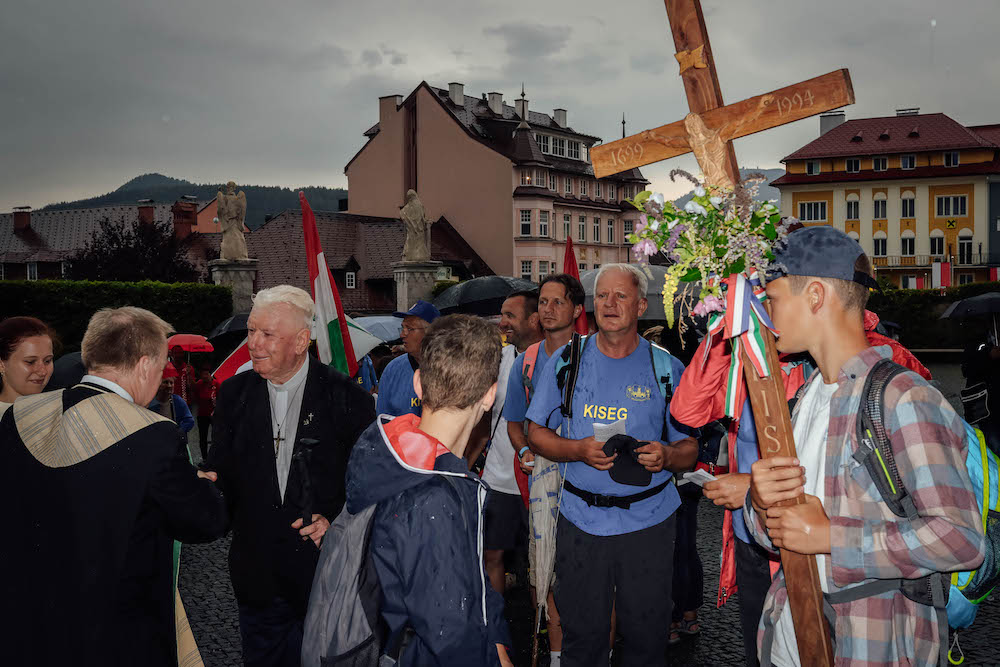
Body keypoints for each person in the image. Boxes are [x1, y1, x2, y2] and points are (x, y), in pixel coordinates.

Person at [746, 227, 985, 665]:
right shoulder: (802, 399)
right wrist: (759, 504)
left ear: (815, 295)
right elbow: (776, 535)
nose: (764, 312)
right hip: (789, 634)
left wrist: (829, 537)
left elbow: (962, 540)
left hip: (877, 642)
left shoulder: (904, 398)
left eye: (772, 297)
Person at [671, 304, 933, 667]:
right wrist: (724, 328)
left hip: (836, 556)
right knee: (764, 652)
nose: (771, 305)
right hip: (756, 538)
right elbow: (688, 410)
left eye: (776, 294)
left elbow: (908, 474)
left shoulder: (872, 355)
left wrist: (751, 486)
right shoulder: (748, 356)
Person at [0, 306, 227, 666]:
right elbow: (205, 521)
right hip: (115, 638)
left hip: (30, 626)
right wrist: (200, 485)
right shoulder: (154, 435)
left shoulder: (20, 415)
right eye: (161, 367)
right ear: (143, 366)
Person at [525, 264, 698, 666]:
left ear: (641, 306)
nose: (610, 303)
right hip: (581, 519)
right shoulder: (568, 361)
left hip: (650, 523)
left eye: (621, 296)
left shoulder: (666, 368)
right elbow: (536, 434)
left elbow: (690, 446)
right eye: (602, 295)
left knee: (647, 635)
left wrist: (668, 456)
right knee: (583, 635)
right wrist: (578, 450)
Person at [206, 285, 375, 667]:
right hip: (256, 574)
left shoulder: (346, 397)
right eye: (251, 331)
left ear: (301, 341)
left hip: (322, 572)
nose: (253, 343)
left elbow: (366, 481)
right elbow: (220, 471)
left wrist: (334, 520)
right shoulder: (234, 394)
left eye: (267, 334)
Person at [342, 314, 513, 666]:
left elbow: (471, 585)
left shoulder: (385, 450)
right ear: (490, 396)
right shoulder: (438, 495)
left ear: (418, 384)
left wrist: (495, 640)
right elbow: (450, 636)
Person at [504, 274, 585, 664]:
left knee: (587, 574)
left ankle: (594, 648)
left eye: (557, 302)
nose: (548, 310)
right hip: (540, 483)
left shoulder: (593, 354)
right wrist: (524, 452)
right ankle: (554, 656)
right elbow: (514, 423)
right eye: (543, 302)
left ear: (577, 310)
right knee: (545, 570)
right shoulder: (527, 362)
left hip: (585, 480)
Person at [482, 290, 542, 595]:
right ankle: (495, 628)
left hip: (540, 478)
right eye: (502, 314)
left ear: (534, 319)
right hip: (498, 477)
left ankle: (545, 629)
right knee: (491, 554)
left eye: (510, 315)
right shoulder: (498, 359)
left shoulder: (553, 360)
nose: (502, 322)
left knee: (540, 562)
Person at [375, 300, 440, 418]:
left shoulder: (451, 368)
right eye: (402, 328)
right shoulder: (393, 369)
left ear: (431, 332)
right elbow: (383, 419)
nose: (402, 335)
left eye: (409, 329)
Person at [0, 315, 56, 414]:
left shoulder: (62, 413)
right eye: (30, 362)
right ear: (1, 364)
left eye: (47, 361)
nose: (42, 371)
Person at [149, 367, 196, 435]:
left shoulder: (178, 401)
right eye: (165, 382)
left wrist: (178, 431)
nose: (169, 386)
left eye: (171, 383)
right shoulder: (149, 402)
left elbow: (189, 421)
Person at [193, 364, 221, 461]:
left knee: (216, 436)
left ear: (210, 374)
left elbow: (221, 399)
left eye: (206, 374)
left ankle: (215, 457)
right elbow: (196, 397)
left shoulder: (216, 385)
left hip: (214, 414)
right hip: (202, 414)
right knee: (203, 437)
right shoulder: (199, 384)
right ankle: (205, 458)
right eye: (202, 374)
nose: (204, 376)